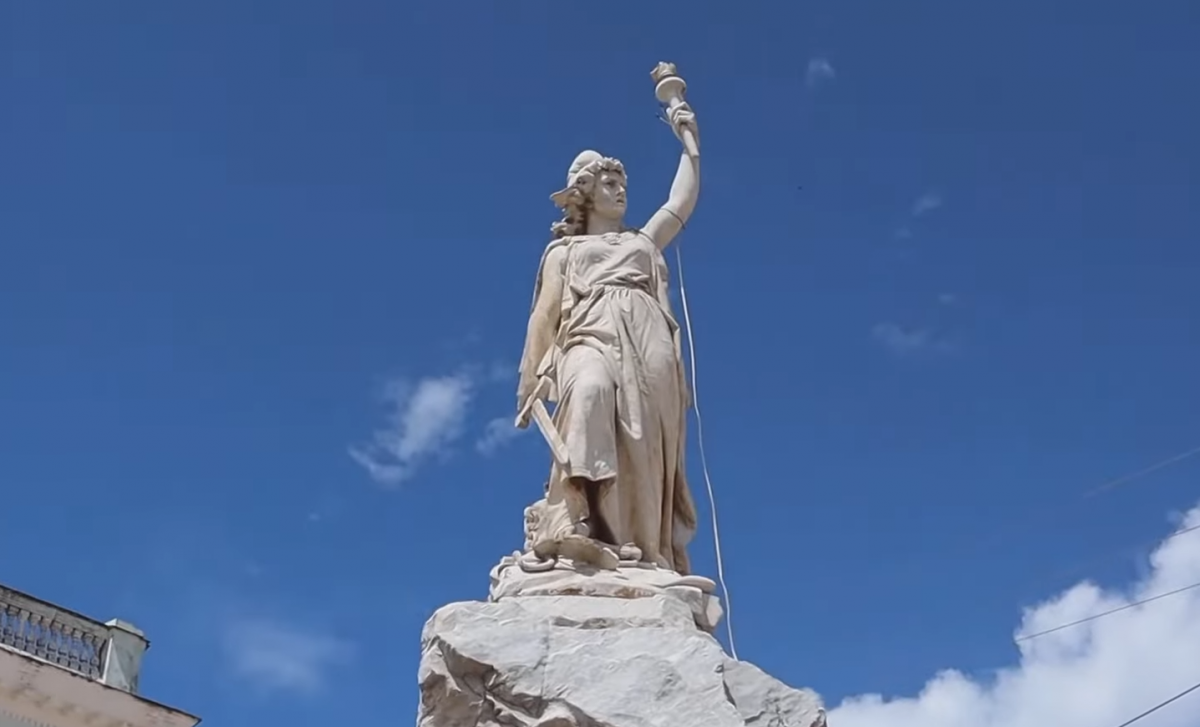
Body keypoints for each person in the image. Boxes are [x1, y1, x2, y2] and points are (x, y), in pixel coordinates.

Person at [516, 101, 701, 574]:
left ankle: (635, 544)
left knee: (645, 445)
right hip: (589, 335)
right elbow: (542, 317)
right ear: (585, 192)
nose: (621, 192)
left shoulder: (641, 243)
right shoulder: (565, 252)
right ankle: (576, 521)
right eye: (610, 184)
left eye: (623, 185)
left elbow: (678, 206)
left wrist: (689, 148)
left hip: (648, 340)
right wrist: (530, 377)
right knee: (589, 393)